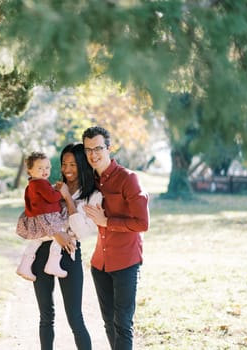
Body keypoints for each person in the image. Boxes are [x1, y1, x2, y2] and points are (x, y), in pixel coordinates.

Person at [82, 126, 150, 350]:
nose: (93, 154)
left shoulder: (128, 179)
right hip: (99, 264)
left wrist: (107, 222)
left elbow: (142, 223)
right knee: (109, 323)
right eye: (88, 149)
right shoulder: (91, 180)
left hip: (125, 262)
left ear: (109, 148)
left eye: (98, 148)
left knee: (122, 323)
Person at [31, 143, 102, 350]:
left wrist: (67, 198)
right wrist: (56, 233)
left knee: (75, 318)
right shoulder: (50, 188)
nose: (67, 169)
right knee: (46, 317)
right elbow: (35, 216)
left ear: (82, 166)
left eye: (73, 164)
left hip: (70, 253)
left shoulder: (93, 196)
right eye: (64, 164)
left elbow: (81, 232)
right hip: (43, 252)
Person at [15, 151, 74, 281]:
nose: (44, 171)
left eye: (47, 167)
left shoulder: (32, 184)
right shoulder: (41, 183)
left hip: (39, 217)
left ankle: (24, 265)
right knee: (60, 235)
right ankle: (53, 263)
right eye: (40, 168)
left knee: (38, 239)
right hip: (48, 217)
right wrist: (61, 192)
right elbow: (51, 197)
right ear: (30, 171)